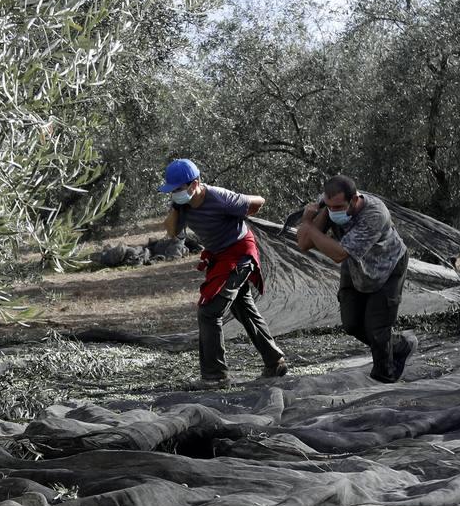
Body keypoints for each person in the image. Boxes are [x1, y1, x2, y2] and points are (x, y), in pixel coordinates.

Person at [160, 158, 286, 384]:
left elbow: (258, 202)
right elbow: (171, 231)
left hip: (239, 254)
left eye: (178, 189)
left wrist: (241, 214)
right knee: (243, 308)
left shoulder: (220, 197)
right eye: (172, 191)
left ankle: (215, 377)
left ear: (194, 183)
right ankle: (274, 362)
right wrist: (176, 206)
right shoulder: (182, 206)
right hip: (219, 257)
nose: (174, 194)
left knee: (209, 311)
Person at [294, 174, 416, 383]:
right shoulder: (328, 204)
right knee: (351, 324)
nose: (334, 212)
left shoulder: (374, 214)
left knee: (377, 330)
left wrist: (310, 227)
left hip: (387, 267)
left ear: (355, 199)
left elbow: (338, 254)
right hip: (356, 266)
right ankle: (399, 345)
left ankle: (384, 379)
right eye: (330, 207)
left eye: (339, 207)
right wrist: (308, 220)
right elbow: (304, 244)